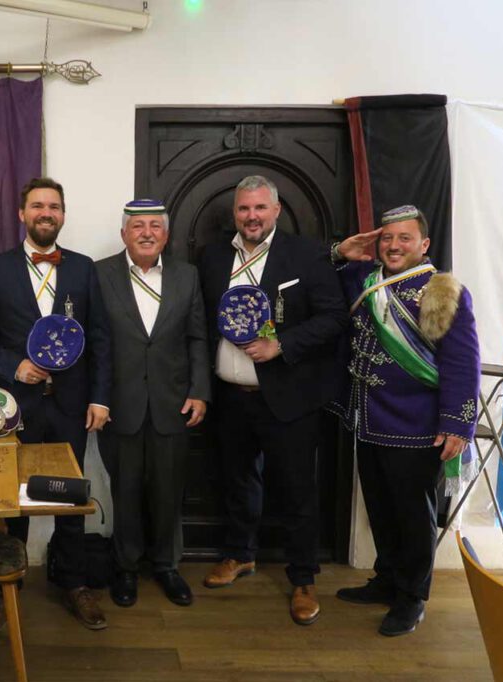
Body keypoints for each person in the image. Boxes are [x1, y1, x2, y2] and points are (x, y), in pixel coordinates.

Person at [0, 177, 112, 631]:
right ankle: (5, 587)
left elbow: (101, 338)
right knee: (11, 497)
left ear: (63, 214)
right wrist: (13, 366)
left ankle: (74, 583)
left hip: (71, 404)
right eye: (37, 206)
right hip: (15, 405)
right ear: (22, 214)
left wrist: (100, 398)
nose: (46, 213)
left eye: (54, 206)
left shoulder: (84, 268)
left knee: (70, 496)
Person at [199, 175, 347, 625]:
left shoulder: (306, 255)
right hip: (229, 396)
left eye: (260, 208)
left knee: (297, 490)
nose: (252, 216)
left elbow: (334, 318)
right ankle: (240, 554)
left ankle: (303, 578)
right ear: (235, 213)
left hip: (288, 397)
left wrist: (281, 344)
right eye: (244, 209)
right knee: (237, 480)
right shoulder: (212, 257)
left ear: (276, 211)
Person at [331, 205, 479, 636]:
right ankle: (387, 580)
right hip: (368, 416)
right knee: (380, 507)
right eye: (387, 238)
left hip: (416, 424)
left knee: (413, 515)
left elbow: (462, 362)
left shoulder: (441, 290)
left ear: (424, 244)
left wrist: (457, 424)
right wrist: (339, 253)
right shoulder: (366, 279)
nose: (394, 246)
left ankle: (412, 596)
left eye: (404, 238)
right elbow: (329, 280)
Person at [95, 199, 209, 608]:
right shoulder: (99, 274)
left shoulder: (187, 276)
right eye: (138, 226)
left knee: (168, 491)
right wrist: (97, 398)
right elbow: (94, 341)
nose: (146, 233)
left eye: (155, 226)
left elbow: (197, 337)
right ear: (123, 233)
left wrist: (200, 390)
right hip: (118, 405)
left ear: (166, 234)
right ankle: (126, 567)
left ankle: (166, 565)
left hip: (172, 403)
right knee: (124, 490)